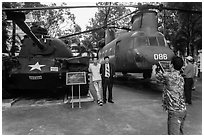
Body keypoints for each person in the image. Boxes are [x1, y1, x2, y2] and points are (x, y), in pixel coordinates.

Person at [152, 56, 187, 135]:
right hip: (182, 110)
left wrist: (154, 69)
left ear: (172, 65)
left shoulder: (168, 76)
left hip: (175, 112)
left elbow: (153, 77)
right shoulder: (181, 77)